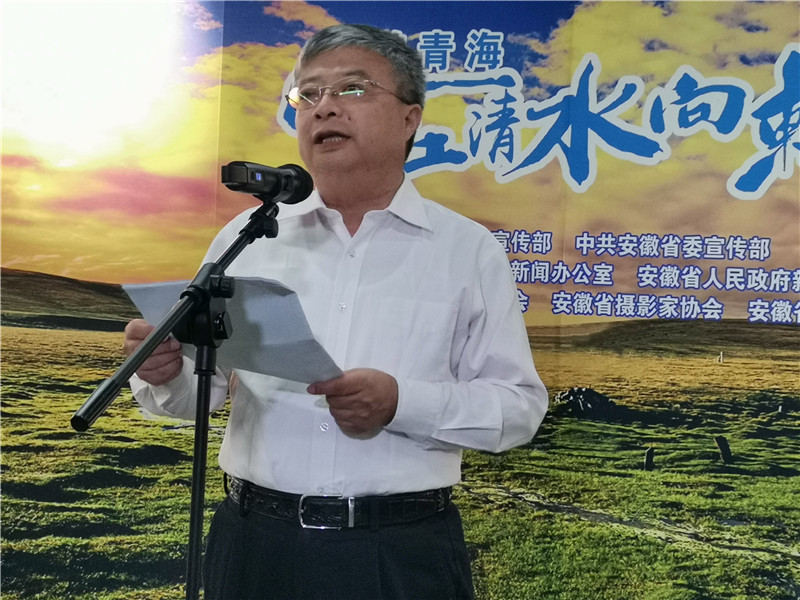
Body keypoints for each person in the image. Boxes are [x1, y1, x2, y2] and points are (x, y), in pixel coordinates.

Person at [124, 23, 548, 600]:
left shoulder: (466, 250)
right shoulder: (248, 238)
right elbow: (202, 392)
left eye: (352, 88)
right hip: (254, 546)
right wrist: (167, 372)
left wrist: (401, 403)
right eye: (308, 94)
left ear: (409, 118)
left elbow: (518, 410)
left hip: (398, 554)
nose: (324, 107)